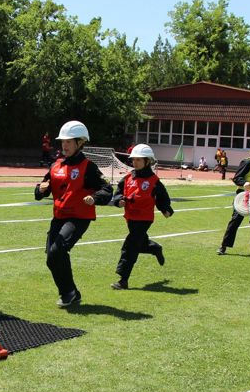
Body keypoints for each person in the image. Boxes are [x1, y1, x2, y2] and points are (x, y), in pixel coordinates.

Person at [35, 121, 113, 307]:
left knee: (58, 251)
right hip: (59, 217)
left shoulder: (89, 167)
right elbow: (41, 189)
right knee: (52, 259)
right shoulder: (55, 166)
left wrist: (95, 197)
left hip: (79, 217)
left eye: (69, 141)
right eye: (63, 141)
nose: (65, 145)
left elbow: (107, 189)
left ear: (80, 142)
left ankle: (68, 293)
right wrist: (40, 189)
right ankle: (70, 293)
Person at [110, 144, 173, 290]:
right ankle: (154, 248)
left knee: (130, 246)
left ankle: (123, 280)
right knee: (140, 243)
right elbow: (118, 193)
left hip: (144, 219)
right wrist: (118, 200)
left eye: (139, 160)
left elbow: (162, 197)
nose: (135, 162)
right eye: (134, 159)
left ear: (147, 161)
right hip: (130, 217)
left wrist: (166, 209)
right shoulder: (127, 178)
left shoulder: (154, 180)